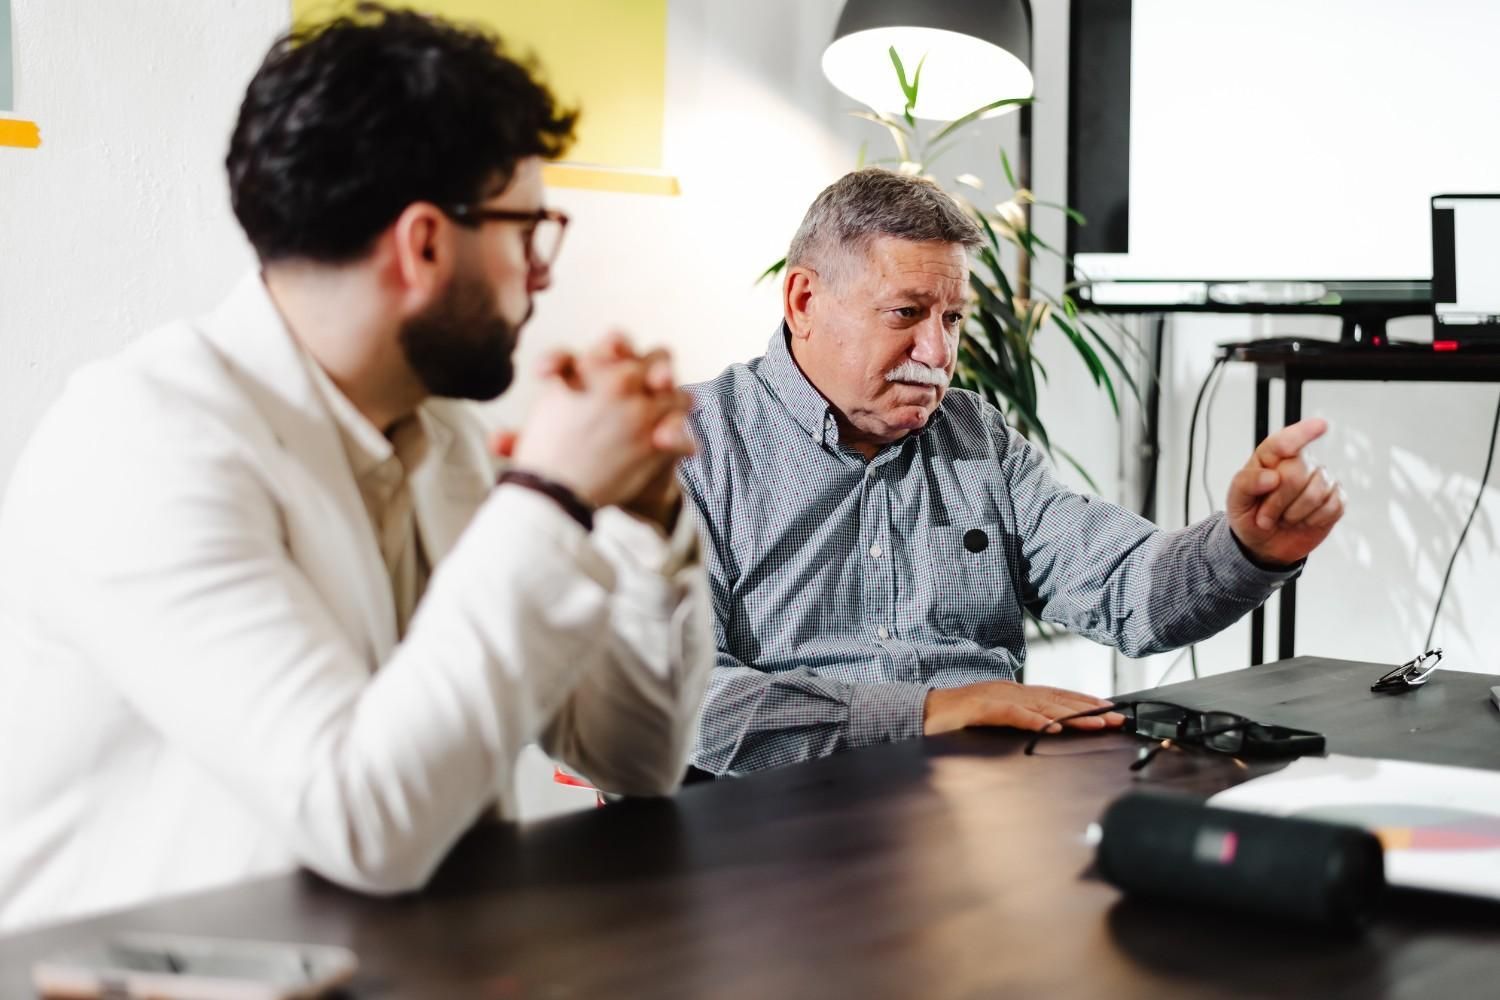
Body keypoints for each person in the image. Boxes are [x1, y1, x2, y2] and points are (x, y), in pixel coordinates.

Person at [0, 7, 712, 932]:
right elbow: (361, 821)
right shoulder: (139, 445)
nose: (540, 275)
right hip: (143, 975)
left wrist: (645, 519)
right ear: (425, 245)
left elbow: (636, 760)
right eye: (527, 231)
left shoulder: (446, 434)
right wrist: (550, 496)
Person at [680, 168, 1343, 776]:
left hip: (989, 801)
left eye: (953, 318)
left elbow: (1127, 588)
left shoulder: (978, 438)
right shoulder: (689, 448)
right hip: (786, 814)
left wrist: (1248, 547)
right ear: (803, 301)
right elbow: (682, 699)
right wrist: (929, 711)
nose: (938, 351)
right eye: (905, 313)